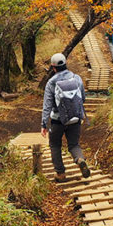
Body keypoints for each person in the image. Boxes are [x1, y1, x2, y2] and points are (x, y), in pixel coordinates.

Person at [40, 53, 90, 181]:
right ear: (65, 63)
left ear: (53, 67)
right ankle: (79, 159)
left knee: (55, 145)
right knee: (74, 145)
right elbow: (83, 98)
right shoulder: (76, 78)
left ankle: (60, 174)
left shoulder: (51, 83)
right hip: (75, 118)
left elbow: (47, 105)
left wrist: (44, 124)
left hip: (58, 121)